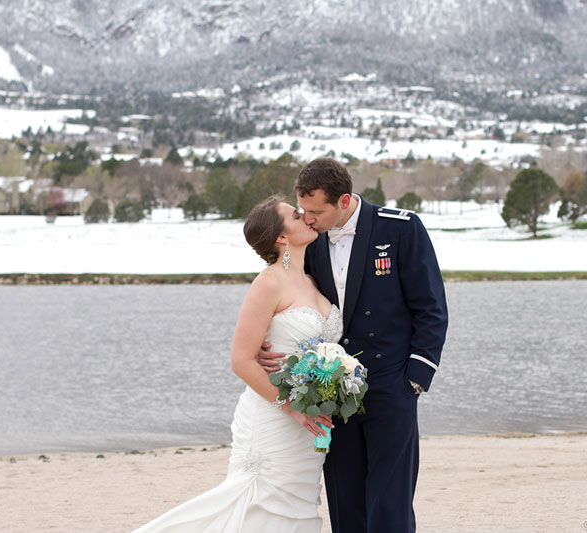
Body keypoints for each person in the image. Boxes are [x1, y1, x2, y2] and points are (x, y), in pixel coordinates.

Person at [259, 158, 449, 532]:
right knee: (345, 503)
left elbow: (431, 307)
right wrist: (268, 340)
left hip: (393, 384)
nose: (308, 219)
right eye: (303, 211)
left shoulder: (402, 229)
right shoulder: (309, 241)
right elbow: (287, 295)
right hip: (331, 391)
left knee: (391, 503)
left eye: (316, 211)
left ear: (344, 201)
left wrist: (415, 379)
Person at [134, 196, 342, 532]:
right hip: (276, 417)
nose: (305, 216)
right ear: (281, 237)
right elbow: (241, 360)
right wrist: (292, 407)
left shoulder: (311, 280)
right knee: (260, 506)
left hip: (309, 425)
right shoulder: (269, 282)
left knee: (299, 507)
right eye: (295, 214)